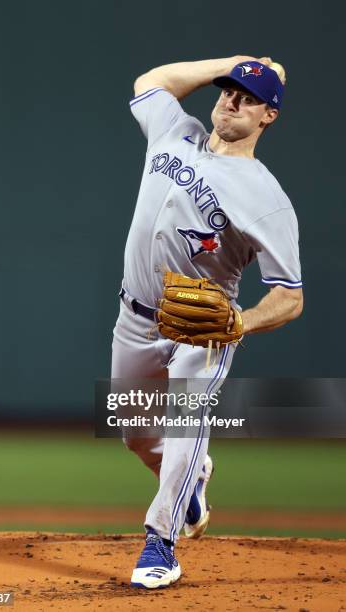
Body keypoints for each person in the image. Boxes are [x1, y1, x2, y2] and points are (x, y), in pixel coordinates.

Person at [111, 54, 303, 589]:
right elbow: (150, 81)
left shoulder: (266, 197)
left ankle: (160, 543)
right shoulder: (178, 131)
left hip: (200, 331)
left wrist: (237, 324)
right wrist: (236, 62)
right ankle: (192, 479)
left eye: (247, 96)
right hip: (134, 317)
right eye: (227, 90)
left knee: (183, 426)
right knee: (134, 434)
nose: (231, 99)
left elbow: (290, 296)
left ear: (269, 116)